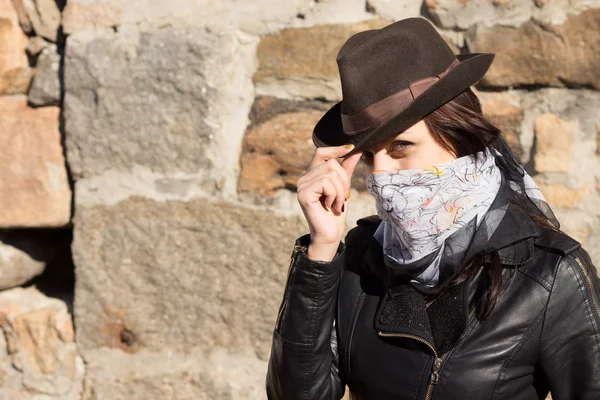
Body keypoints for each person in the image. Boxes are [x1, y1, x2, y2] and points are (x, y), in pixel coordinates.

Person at [265, 17, 600, 400]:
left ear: (457, 133)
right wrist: (321, 251)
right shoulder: (362, 255)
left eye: (400, 147)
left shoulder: (549, 272)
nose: (381, 173)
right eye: (372, 153)